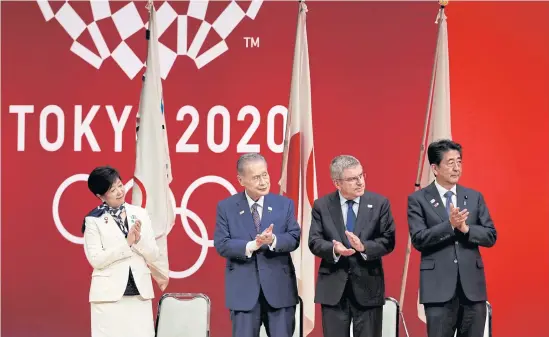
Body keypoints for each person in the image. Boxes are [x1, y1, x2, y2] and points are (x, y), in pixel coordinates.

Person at [407, 139, 497, 337]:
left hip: (472, 291)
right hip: (438, 290)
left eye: (459, 162)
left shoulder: (474, 197)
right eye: (450, 163)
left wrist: (466, 229)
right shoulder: (418, 200)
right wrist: (449, 226)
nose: (457, 168)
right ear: (435, 168)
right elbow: (419, 239)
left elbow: (491, 235)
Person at [213, 153, 301, 337]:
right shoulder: (226, 207)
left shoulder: (284, 204)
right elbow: (221, 244)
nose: (263, 182)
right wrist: (251, 245)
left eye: (265, 175)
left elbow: (294, 238)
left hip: (279, 291)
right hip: (243, 294)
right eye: (255, 177)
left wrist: (273, 240)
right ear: (241, 180)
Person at [308, 155, 396, 337]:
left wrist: (364, 247)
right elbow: (314, 241)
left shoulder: (380, 204)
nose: (360, 182)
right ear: (337, 183)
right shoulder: (322, 205)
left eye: (361, 175)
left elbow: (388, 240)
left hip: (368, 287)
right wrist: (334, 250)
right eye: (352, 179)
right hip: (333, 289)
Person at [82, 166, 160, 337]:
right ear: (100, 196)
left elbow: (154, 254)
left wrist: (138, 241)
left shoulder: (140, 213)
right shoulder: (93, 220)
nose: (119, 191)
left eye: (120, 185)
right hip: (108, 297)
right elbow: (96, 259)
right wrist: (127, 244)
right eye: (112, 189)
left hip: (140, 294)